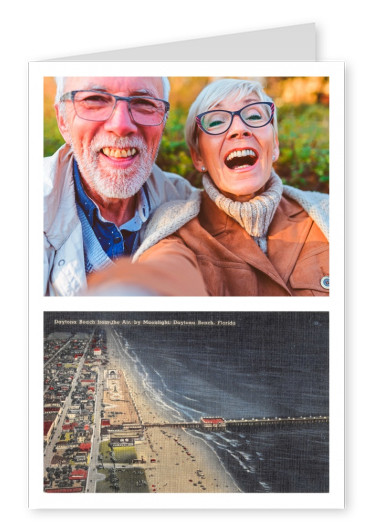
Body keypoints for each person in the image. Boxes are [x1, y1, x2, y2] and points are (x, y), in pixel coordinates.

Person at [87, 78, 329, 296]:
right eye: (216, 121)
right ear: (198, 157)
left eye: (254, 116)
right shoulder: (176, 229)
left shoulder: (328, 213)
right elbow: (165, 271)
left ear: (274, 144)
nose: (239, 129)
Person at [44, 76, 198, 296]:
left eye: (144, 103)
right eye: (95, 99)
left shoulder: (187, 204)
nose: (121, 126)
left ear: (163, 121)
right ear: (62, 120)